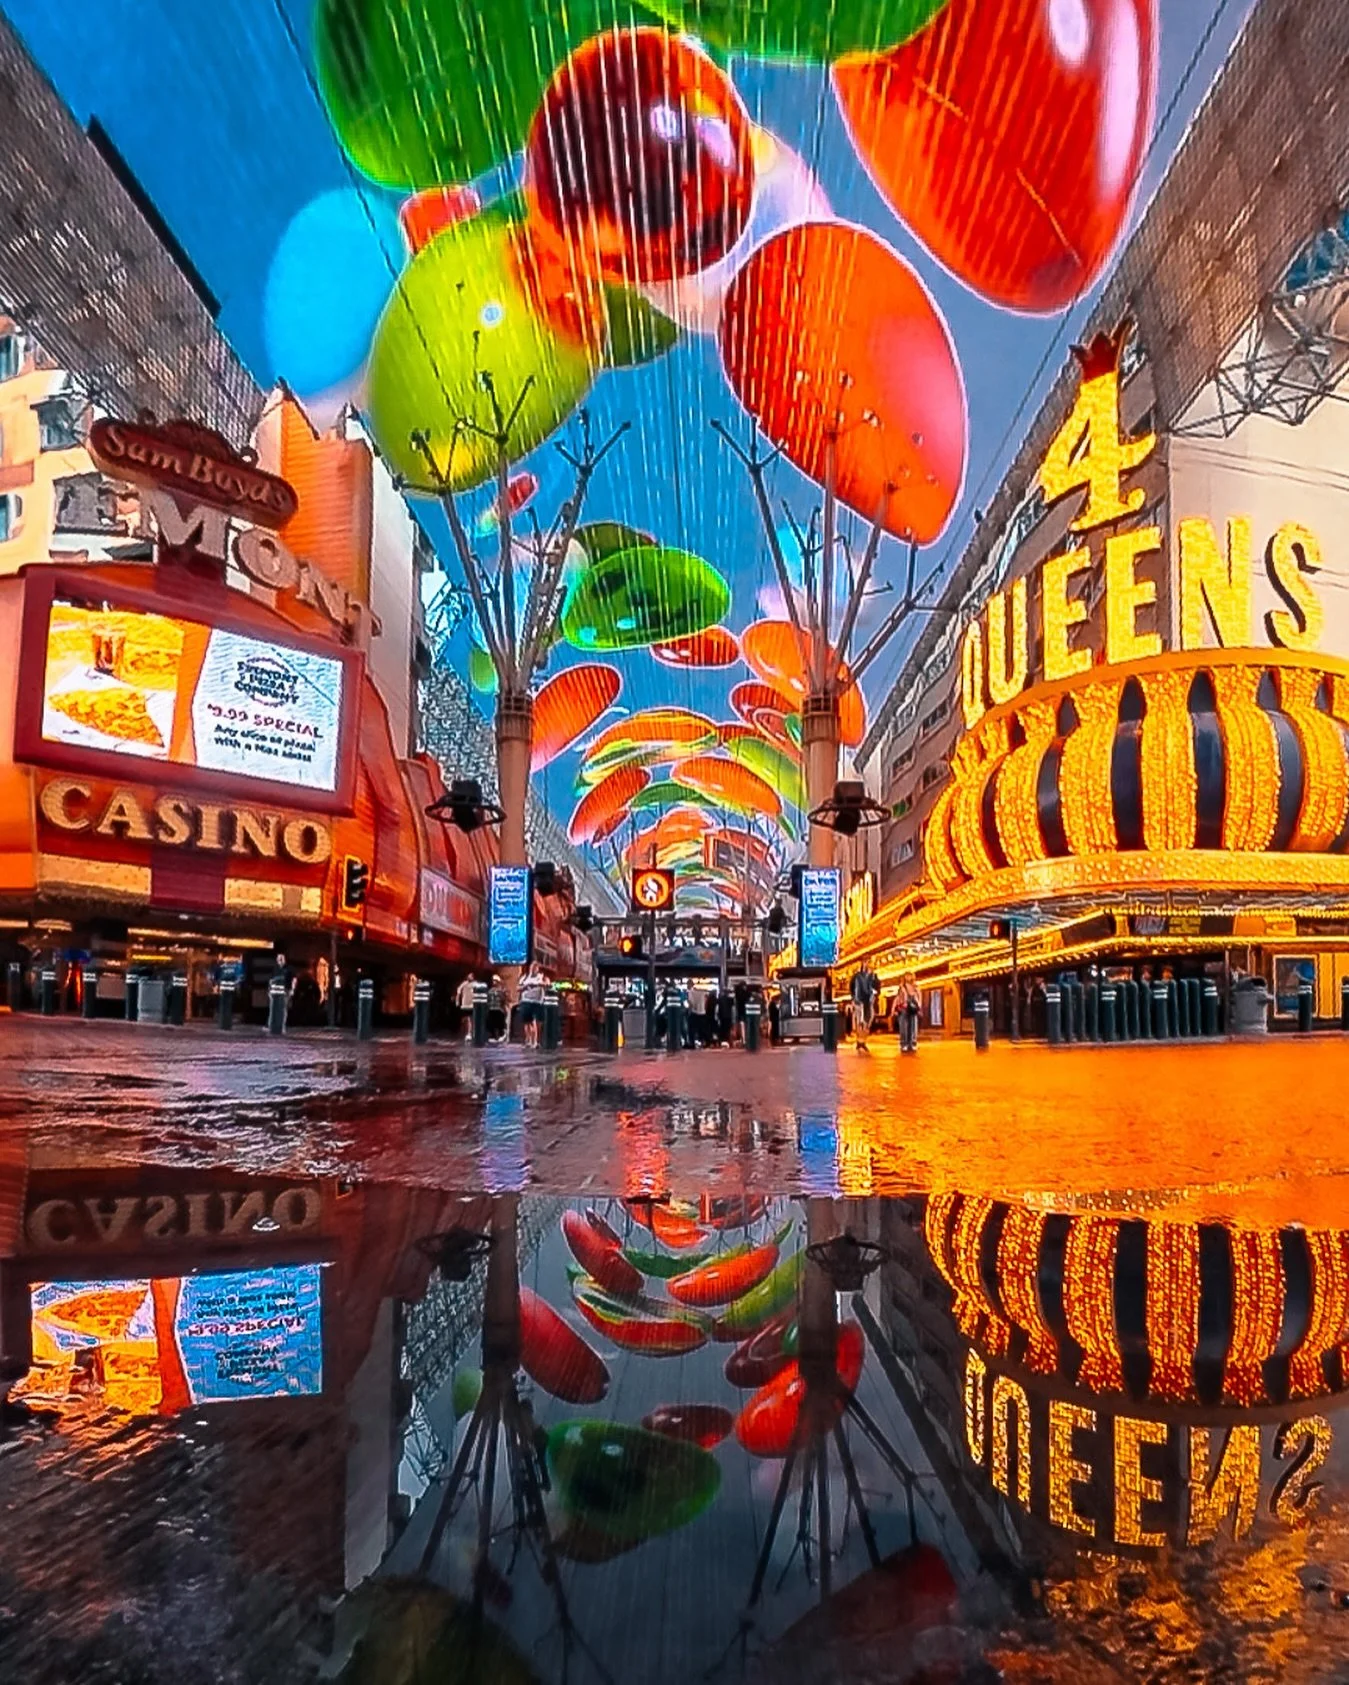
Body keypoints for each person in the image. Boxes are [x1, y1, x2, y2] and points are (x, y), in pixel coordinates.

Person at [850, 964, 879, 1052]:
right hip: (859, 1001)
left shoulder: (874, 977)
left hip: (869, 1002)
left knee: (868, 1022)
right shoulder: (856, 977)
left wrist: (875, 995)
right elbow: (852, 987)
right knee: (860, 1022)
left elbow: (877, 988)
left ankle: (863, 1041)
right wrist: (853, 998)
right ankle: (859, 1041)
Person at [520, 962, 547, 1047]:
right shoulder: (525, 977)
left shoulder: (541, 977)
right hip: (526, 1001)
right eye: (532, 968)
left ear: (538, 969)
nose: (533, 969)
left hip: (537, 1002)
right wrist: (525, 987)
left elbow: (547, 984)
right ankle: (528, 1040)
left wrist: (537, 984)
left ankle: (535, 1041)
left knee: (534, 1022)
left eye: (535, 968)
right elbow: (518, 988)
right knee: (527, 1022)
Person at [900, 972, 921, 1053]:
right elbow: (900, 996)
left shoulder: (916, 986)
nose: (908, 977)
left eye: (910, 976)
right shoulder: (902, 986)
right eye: (906, 976)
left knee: (914, 1025)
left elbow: (919, 995)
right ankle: (904, 1044)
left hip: (914, 1006)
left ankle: (912, 1043)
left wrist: (919, 1005)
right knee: (904, 1025)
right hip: (904, 1006)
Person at [456, 971, 478, 1041]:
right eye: (469, 975)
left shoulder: (475, 984)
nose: (469, 977)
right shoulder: (464, 984)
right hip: (464, 1004)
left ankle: (470, 1033)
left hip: (472, 1004)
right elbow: (458, 991)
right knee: (465, 1019)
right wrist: (457, 1001)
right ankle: (467, 1032)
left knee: (470, 1019)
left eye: (471, 976)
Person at [487, 974, 507, 1043]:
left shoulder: (501, 991)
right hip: (491, 1008)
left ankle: (502, 1035)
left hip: (499, 1009)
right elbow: (488, 999)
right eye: (493, 981)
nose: (494, 982)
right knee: (492, 1023)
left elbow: (504, 1000)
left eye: (495, 981)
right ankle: (492, 1036)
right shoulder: (490, 991)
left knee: (500, 1023)